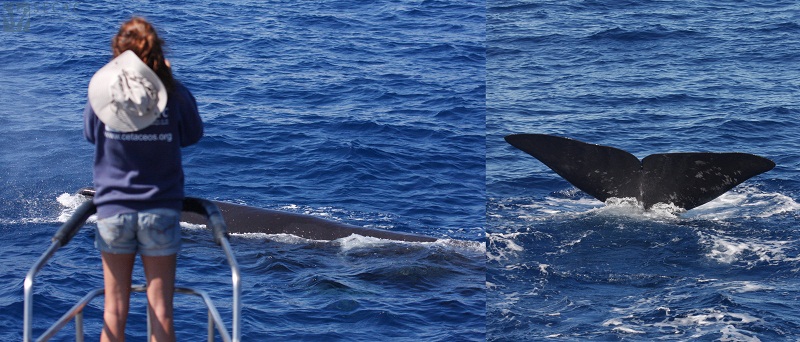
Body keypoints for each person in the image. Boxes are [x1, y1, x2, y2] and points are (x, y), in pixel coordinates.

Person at [84, 17, 203, 342]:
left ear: (118, 54)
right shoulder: (173, 94)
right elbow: (192, 134)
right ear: (158, 52)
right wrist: (169, 80)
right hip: (160, 209)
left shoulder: (103, 94)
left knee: (114, 309)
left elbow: (90, 134)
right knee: (161, 310)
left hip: (113, 209)